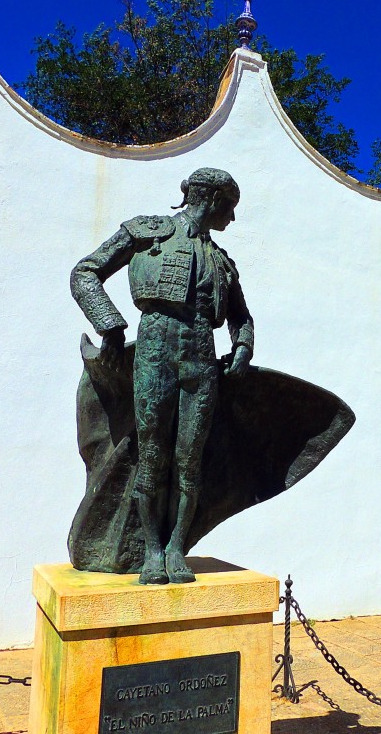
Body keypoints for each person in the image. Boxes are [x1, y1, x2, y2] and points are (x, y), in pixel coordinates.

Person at [71, 167, 253, 585]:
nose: (231, 219)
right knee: (152, 457)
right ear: (211, 200)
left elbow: (241, 317)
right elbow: (85, 272)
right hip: (154, 345)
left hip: (201, 356)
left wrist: (243, 346)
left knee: (190, 461)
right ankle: (150, 551)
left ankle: (174, 548)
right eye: (230, 208)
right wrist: (110, 324)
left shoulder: (221, 260)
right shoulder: (146, 232)